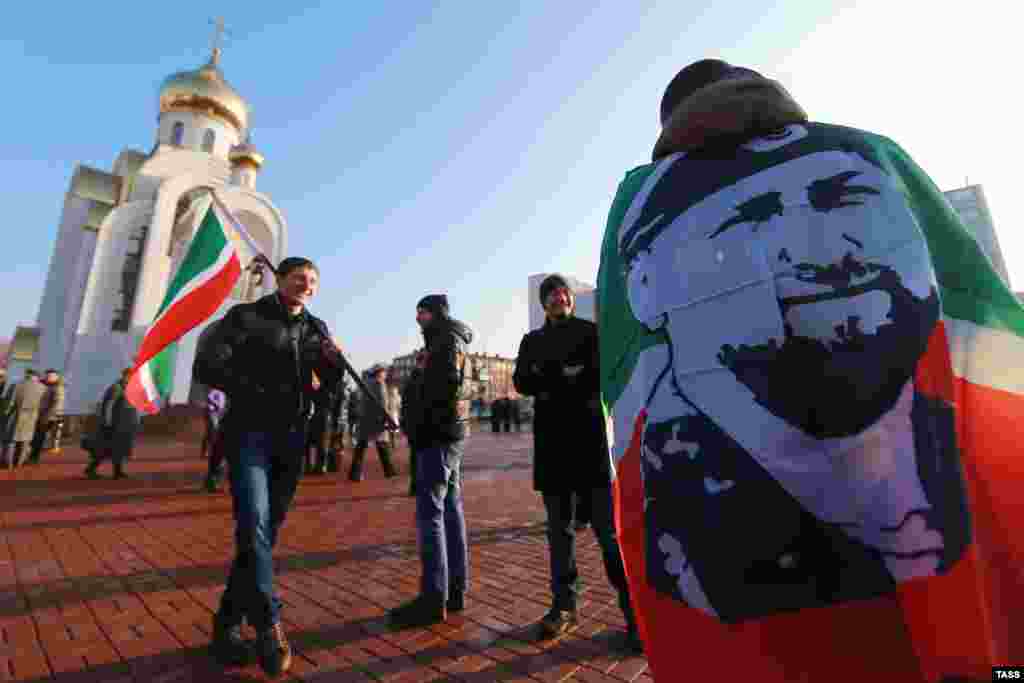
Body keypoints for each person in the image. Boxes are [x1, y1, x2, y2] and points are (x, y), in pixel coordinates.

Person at [595, 58, 1001, 681]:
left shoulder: (641, 201)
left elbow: (624, 370)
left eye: (841, 204)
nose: (828, 254)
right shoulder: (869, 151)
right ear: (649, 284)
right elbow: (978, 305)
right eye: (750, 220)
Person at [193, 256, 345, 677]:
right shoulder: (245, 317)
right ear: (280, 279)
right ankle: (268, 623)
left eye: (313, 280)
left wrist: (332, 366)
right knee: (253, 525)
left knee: (264, 535)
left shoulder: (317, 328)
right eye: (299, 277)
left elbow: (327, 388)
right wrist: (257, 388)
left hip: (291, 438)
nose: (306, 285)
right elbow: (206, 365)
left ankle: (225, 624)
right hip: (249, 432)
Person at [513, 274, 640, 650]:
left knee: (608, 533)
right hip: (553, 448)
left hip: (590, 445)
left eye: (563, 292)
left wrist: (552, 376)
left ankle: (634, 614)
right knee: (559, 534)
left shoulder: (591, 333)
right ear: (543, 303)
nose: (559, 297)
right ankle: (564, 607)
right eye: (551, 294)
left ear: (570, 298)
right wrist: (563, 373)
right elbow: (522, 381)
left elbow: (599, 373)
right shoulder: (531, 341)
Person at [389, 294, 473, 628]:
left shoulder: (443, 342)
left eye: (421, 312)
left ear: (432, 314)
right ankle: (455, 590)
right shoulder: (451, 340)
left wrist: (416, 408)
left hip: (437, 436)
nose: (418, 319)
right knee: (450, 509)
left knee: (431, 515)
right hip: (451, 434)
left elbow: (442, 388)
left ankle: (433, 597)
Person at [84, 369, 141, 479]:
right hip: (115, 424)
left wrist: (135, 421)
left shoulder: (130, 388)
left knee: (120, 448)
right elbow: (108, 406)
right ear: (125, 376)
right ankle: (90, 469)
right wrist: (107, 421)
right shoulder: (117, 387)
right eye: (131, 376)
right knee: (106, 448)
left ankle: (118, 471)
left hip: (125, 425)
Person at [348, 364, 398, 481]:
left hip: (365, 420)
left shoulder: (365, 384)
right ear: (380, 373)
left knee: (360, 448)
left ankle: (354, 474)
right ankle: (390, 472)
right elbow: (383, 403)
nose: (385, 375)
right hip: (377, 421)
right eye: (384, 372)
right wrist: (387, 419)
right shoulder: (380, 384)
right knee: (383, 446)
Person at [2, 370, 46, 469]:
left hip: (16, 415)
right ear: (37, 377)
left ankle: (8, 463)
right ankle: (19, 463)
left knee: (10, 440)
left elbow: (10, 403)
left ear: (27, 375)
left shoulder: (16, 385)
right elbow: (43, 405)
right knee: (25, 441)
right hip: (32, 416)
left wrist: (5, 414)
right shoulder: (43, 388)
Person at [399, 350, 427, 497]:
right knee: (421, 457)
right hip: (421, 425)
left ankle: (415, 486)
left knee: (415, 456)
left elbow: (404, 405)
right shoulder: (422, 379)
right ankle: (418, 486)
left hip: (413, 425)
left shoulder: (410, 380)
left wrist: (404, 423)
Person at [28, 369, 64, 464]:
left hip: (48, 417)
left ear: (56, 377)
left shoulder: (58, 388)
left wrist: (47, 417)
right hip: (37, 415)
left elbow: (57, 404)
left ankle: (34, 457)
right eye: (47, 376)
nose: (48, 378)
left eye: (51, 376)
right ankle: (30, 455)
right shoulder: (42, 384)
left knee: (39, 437)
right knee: (34, 436)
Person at [203, 388, 229, 492]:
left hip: (221, 418)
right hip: (212, 413)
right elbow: (209, 399)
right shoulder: (214, 390)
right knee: (211, 435)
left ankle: (213, 481)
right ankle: (212, 482)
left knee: (220, 457)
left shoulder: (224, 393)